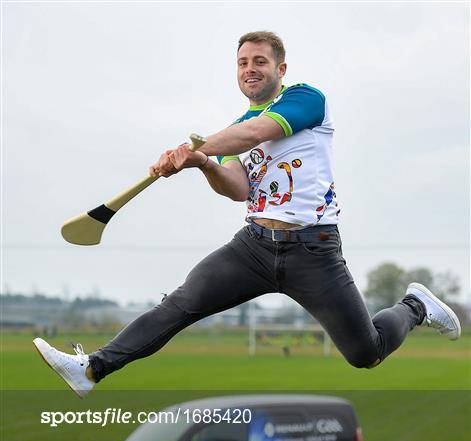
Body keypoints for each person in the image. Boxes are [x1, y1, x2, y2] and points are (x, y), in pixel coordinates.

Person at [33, 31, 461, 398]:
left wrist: (198, 149)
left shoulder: (306, 100)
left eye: (260, 61)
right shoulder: (236, 128)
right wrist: (202, 164)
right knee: (180, 304)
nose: (250, 68)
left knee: (366, 353)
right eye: (242, 63)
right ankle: (92, 369)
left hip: (313, 248)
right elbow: (237, 188)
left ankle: (415, 305)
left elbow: (259, 131)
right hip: (253, 247)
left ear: (281, 69)